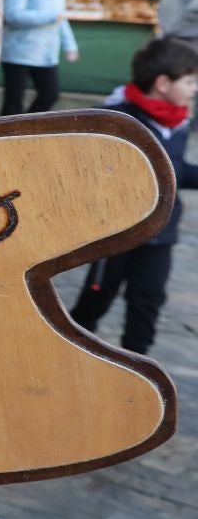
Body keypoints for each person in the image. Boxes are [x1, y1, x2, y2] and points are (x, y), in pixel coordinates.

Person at [69, 37, 198, 354]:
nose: (195, 89)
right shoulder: (117, 119)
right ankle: (72, 354)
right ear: (163, 82)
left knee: (148, 300)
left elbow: (175, 172)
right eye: (191, 81)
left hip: (161, 234)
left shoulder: (179, 122)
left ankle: (140, 369)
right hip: (119, 231)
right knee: (97, 296)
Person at [0, 0, 78, 115]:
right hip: (19, 51)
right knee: (13, 102)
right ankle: (7, 137)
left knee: (50, 94)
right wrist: (51, 16)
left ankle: (26, 130)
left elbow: (61, 16)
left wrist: (70, 45)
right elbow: (13, 15)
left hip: (46, 52)